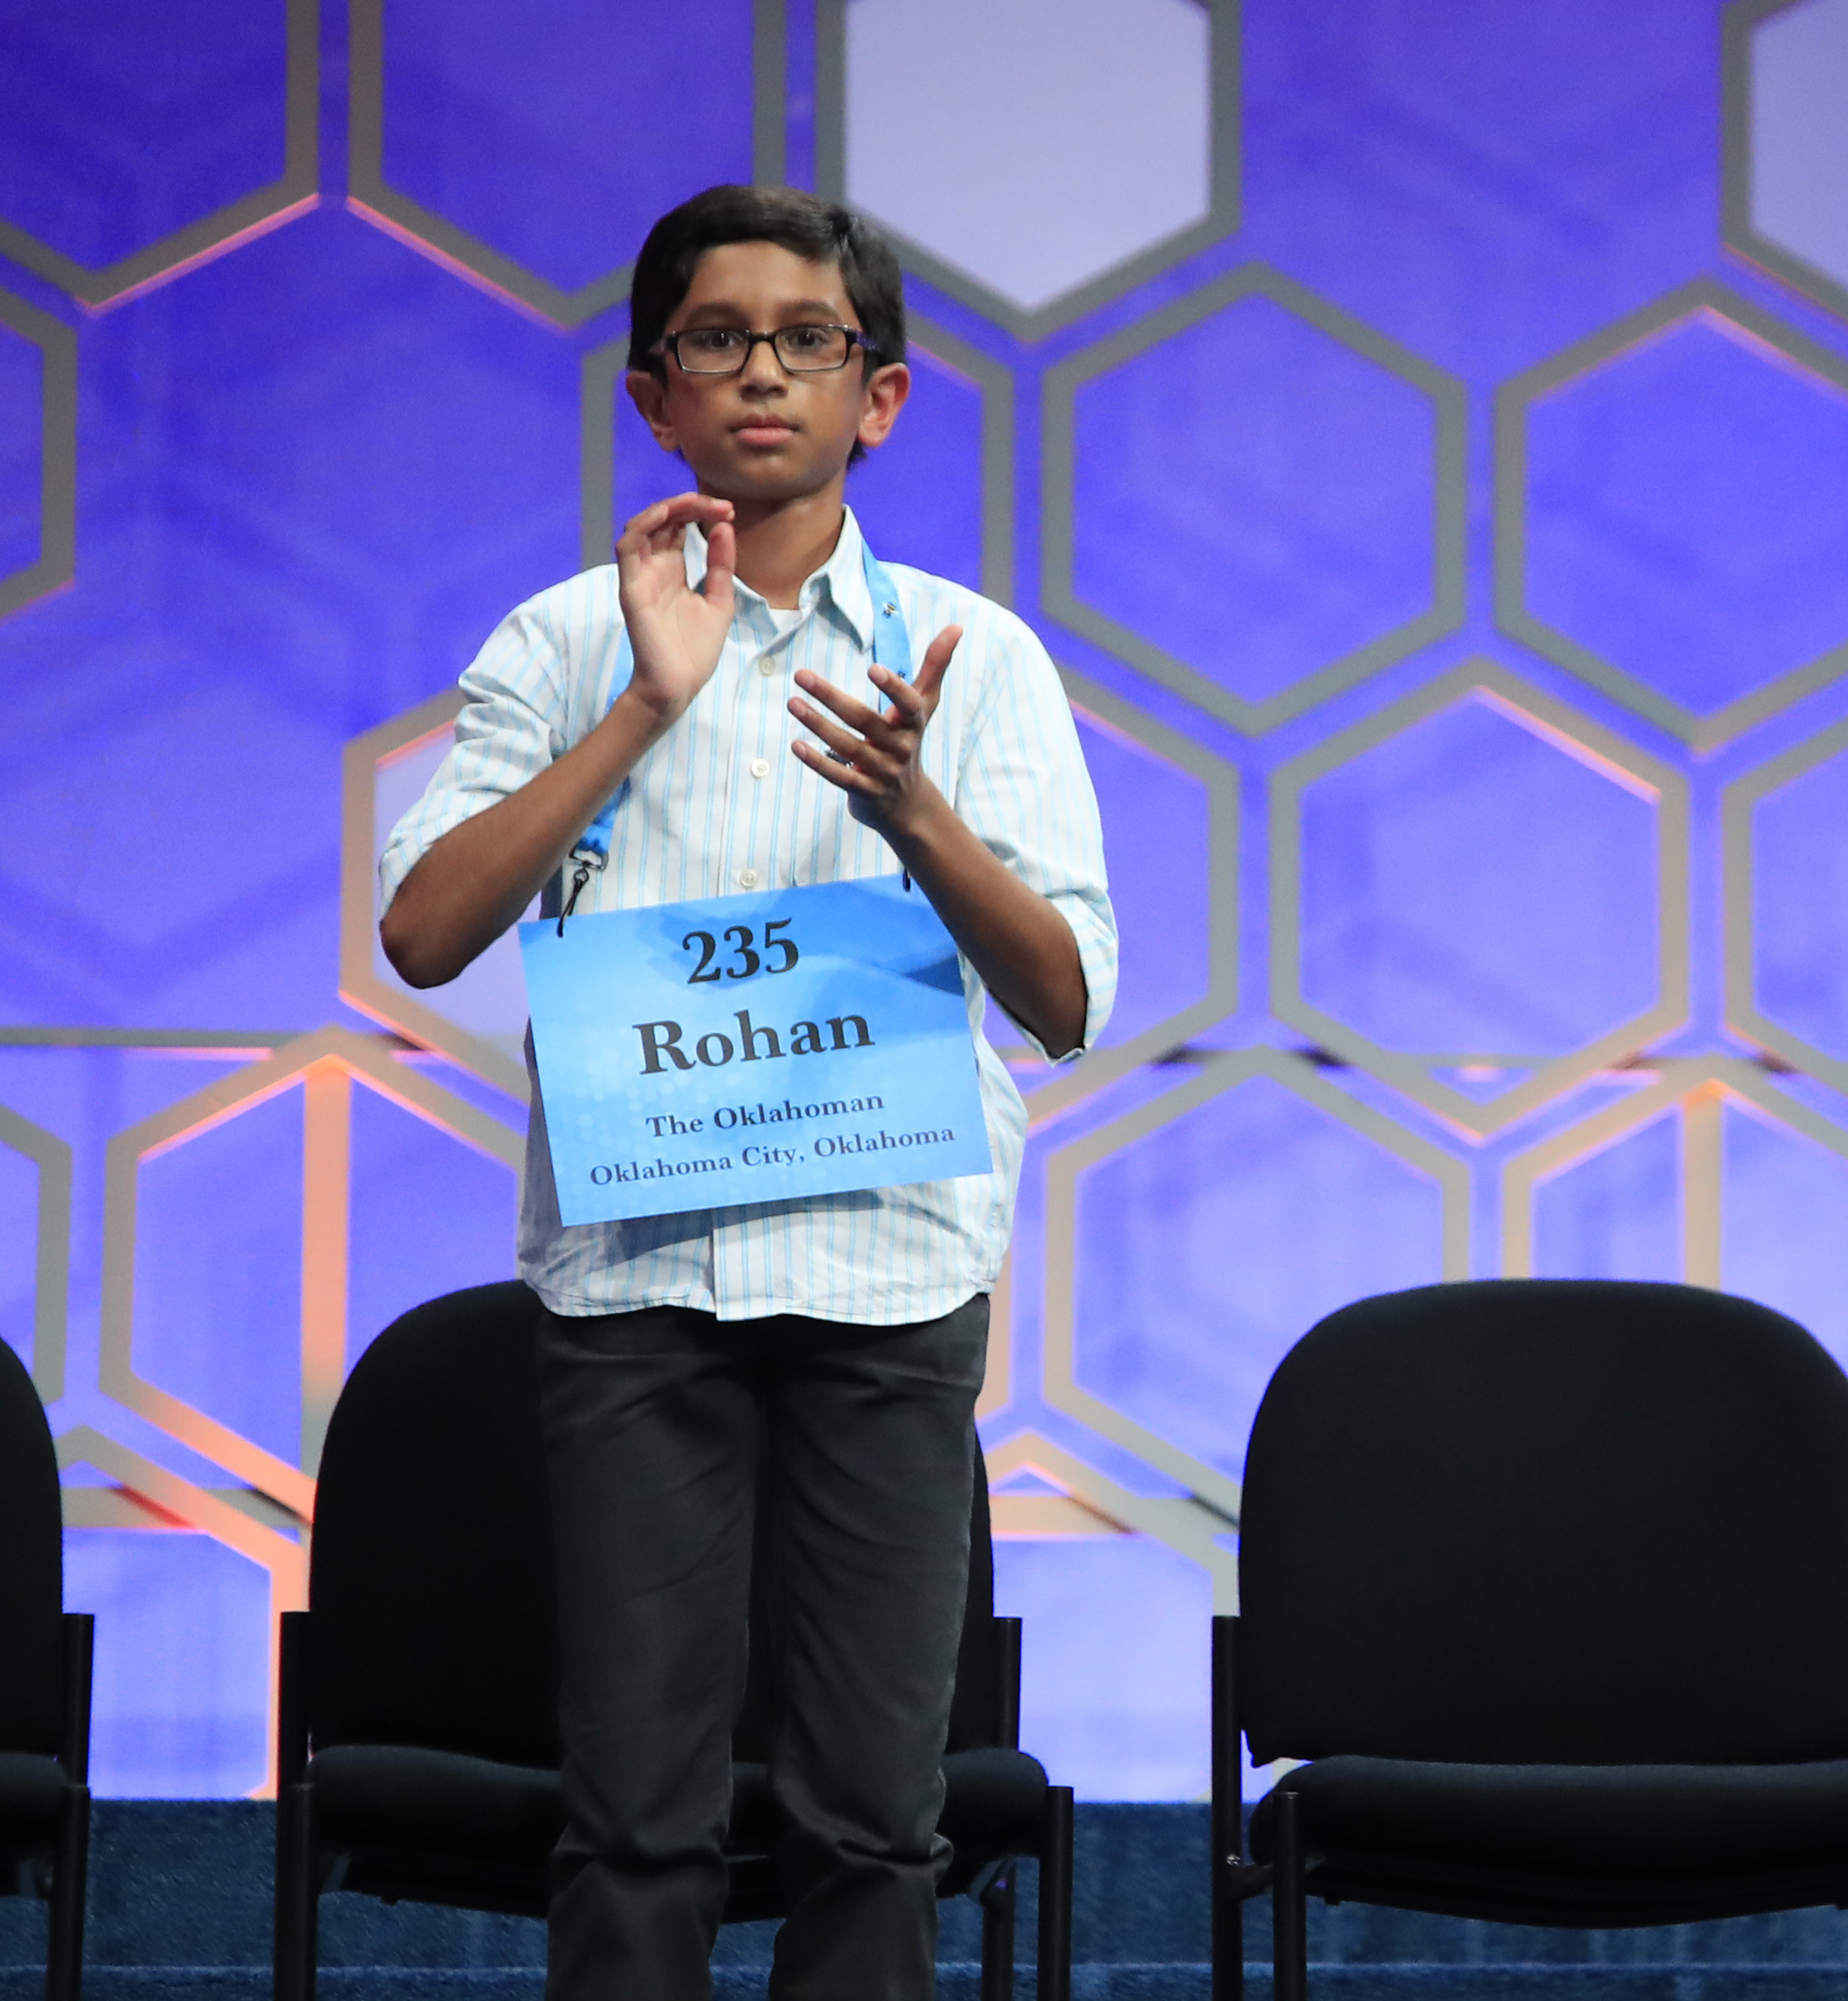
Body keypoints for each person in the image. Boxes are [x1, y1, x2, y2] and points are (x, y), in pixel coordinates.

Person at [375, 184, 1114, 2001]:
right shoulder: (561, 643)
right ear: (652, 394)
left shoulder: (972, 656)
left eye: (806, 341)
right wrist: (642, 705)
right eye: (718, 340)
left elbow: (1064, 998)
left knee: (876, 1816)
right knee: (635, 1816)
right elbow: (422, 931)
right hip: (639, 1292)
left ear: (881, 398)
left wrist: (916, 814)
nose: (761, 372)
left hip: (887, 1278)